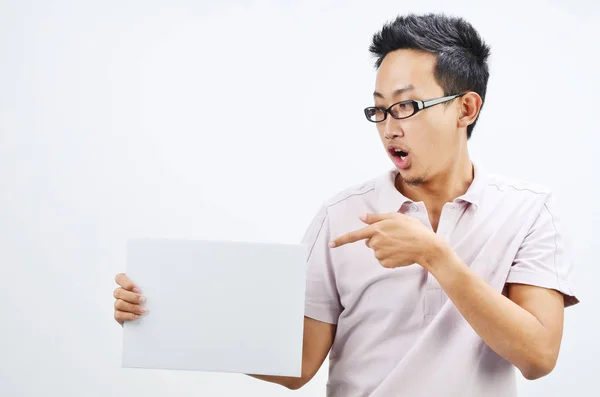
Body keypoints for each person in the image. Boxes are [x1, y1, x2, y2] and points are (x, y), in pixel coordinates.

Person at [113, 12, 578, 397]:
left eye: (406, 107)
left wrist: (435, 256)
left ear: (466, 108)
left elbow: (538, 357)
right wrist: (169, 316)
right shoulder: (342, 215)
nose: (388, 127)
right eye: (379, 109)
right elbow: (297, 365)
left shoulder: (527, 212)